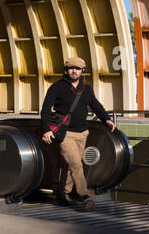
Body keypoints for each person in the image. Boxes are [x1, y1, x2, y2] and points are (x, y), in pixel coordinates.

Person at [39, 55, 114, 211]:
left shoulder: (86, 88)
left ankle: (63, 193)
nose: (74, 71)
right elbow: (45, 109)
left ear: (82, 71)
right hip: (64, 134)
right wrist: (46, 130)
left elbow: (95, 105)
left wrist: (106, 119)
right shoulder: (57, 87)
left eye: (77, 69)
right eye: (71, 68)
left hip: (82, 133)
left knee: (69, 165)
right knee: (76, 165)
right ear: (66, 70)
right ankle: (85, 196)